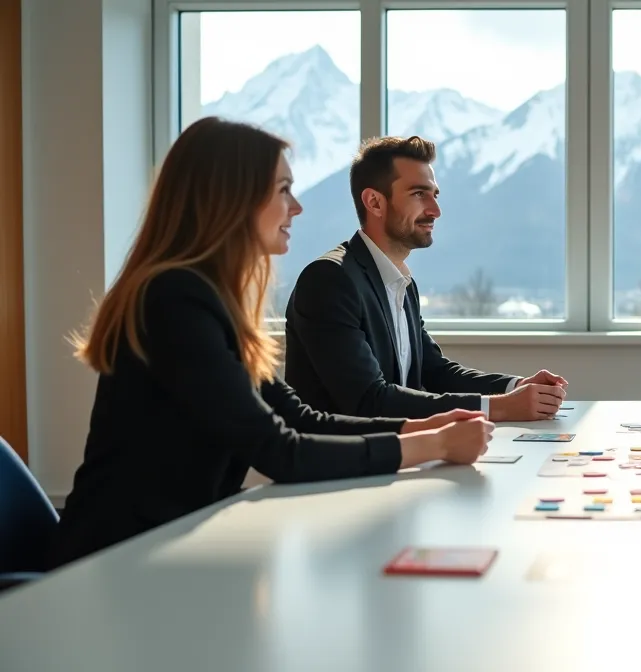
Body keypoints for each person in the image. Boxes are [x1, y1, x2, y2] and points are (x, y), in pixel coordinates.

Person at [52, 118, 494, 567]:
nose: (297, 207)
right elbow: (280, 451)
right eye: (283, 189)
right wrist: (433, 447)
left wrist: (424, 429)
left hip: (172, 547)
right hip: (117, 562)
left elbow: (300, 419)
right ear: (231, 199)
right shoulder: (173, 300)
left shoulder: (207, 298)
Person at [283, 136, 567, 422]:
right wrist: (502, 407)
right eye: (419, 194)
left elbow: (434, 372)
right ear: (374, 202)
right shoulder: (329, 280)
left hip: (400, 457)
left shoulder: (401, 283)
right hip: (346, 464)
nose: (435, 210)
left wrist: (515, 387)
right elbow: (369, 401)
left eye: (435, 194)